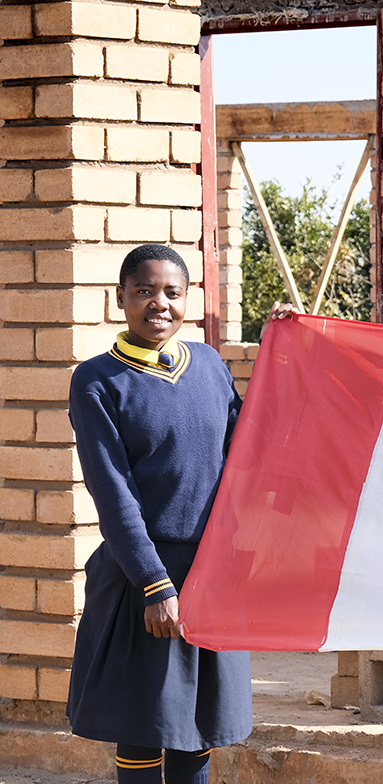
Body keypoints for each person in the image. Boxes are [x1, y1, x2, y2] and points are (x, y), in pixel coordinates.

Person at [67, 245, 269, 784]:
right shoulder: (97, 382)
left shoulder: (207, 364)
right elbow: (112, 493)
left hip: (211, 573)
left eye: (172, 293)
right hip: (145, 576)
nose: (159, 304)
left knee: (197, 729)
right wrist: (156, 585)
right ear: (121, 298)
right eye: (144, 291)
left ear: (188, 301)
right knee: (144, 724)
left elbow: (250, 444)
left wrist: (285, 354)